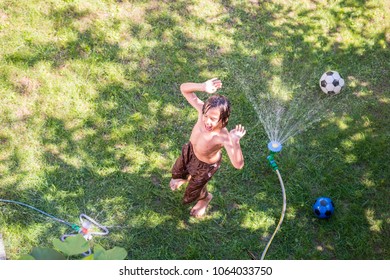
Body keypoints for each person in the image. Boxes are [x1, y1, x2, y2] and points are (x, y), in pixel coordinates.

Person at [170, 78, 246, 218]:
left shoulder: (223, 137)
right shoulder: (202, 111)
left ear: (223, 120)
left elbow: (238, 164)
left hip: (205, 166)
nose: (207, 121)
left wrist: (235, 142)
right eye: (206, 115)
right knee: (179, 170)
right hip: (190, 152)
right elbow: (184, 88)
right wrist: (202, 86)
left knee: (196, 188)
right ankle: (184, 177)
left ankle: (205, 199)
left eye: (213, 118)